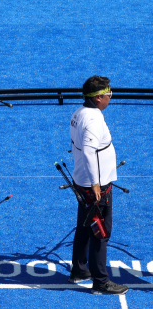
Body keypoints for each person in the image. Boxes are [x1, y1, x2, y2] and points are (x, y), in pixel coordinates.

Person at [68, 76, 128, 295]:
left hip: (81, 180)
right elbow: (89, 151)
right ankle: (101, 282)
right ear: (98, 97)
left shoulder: (78, 113)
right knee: (100, 232)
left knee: (85, 225)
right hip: (96, 186)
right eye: (108, 93)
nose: (110, 97)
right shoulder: (94, 120)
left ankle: (79, 269)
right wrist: (95, 184)